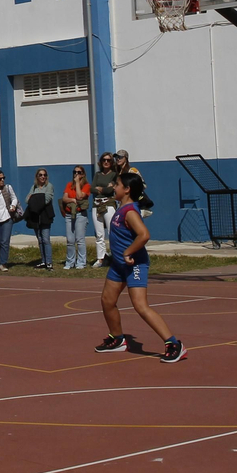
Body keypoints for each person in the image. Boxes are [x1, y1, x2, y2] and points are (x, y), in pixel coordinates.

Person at [93, 172, 184, 363]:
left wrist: (127, 253)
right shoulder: (121, 207)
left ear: (127, 189)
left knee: (141, 306)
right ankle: (118, 339)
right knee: (107, 301)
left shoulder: (131, 212)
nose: (114, 186)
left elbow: (144, 235)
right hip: (119, 265)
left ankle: (174, 344)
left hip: (135, 264)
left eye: (117, 184)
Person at [22, 168, 57, 269]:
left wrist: (34, 199)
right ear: (37, 176)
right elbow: (27, 200)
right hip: (35, 216)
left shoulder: (49, 186)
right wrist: (35, 199)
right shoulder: (34, 187)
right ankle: (43, 261)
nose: (43, 177)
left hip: (45, 216)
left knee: (46, 239)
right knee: (40, 239)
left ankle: (49, 262)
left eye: (44, 175)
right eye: (40, 175)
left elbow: (47, 199)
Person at [90, 154, 118, 267]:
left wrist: (102, 189)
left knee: (112, 232)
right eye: (104, 160)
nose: (106, 162)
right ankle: (100, 258)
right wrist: (104, 188)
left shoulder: (114, 175)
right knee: (99, 234)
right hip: (96, 205)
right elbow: (92, 188)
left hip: (109, 204)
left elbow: (111, 189)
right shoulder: (97, 174)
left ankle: (115, 257)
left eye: (108, 160)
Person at [60, 168, 90, 269]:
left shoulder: (86, 186)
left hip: (80, 214)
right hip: (69, 215)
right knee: (70, 239)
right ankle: (70, 261)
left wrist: (77, 183)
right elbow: (64, 198)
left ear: (83, 174)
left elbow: (80, 196)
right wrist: (72, 200)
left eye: (79, 172)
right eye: (74, 172)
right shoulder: (69, 185)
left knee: (80, 239)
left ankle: (81, 262)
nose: (76, 174)